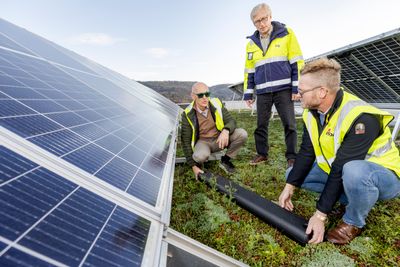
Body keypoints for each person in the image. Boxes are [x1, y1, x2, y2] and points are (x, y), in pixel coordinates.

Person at [278, 57, 400, 245]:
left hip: (384, 177)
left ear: (321, 92)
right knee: (291, 174)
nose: (297, 94)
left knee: (353, 171)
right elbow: (306, 152)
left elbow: (341, 167)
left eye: (301, 91)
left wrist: (319, 216)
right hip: (345, 171)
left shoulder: (361, 117)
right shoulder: (312, 114)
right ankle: (350, 199)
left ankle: (353, 221)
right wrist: (289, 187)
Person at [244, 3, 304, 168]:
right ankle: (262, 154)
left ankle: (292, 157)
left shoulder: (286, 34)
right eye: (257, 21)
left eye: (264, 19)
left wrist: (296, 87)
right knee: (261, 125)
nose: (261, 23)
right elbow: (249, 71)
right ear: (253, 23)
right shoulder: (251, 44)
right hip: (263, 91)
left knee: (289, 124)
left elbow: (296, 61)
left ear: (270, 16)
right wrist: (248, 93)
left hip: (283, 89)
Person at [181, 82, 248, 177]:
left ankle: (225, 160)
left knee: (242, 134)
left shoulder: (216, 103)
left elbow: (231, 121)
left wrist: (225, 131)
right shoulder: (187, 114)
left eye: (207, 94)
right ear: (193, 96)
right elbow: (186, 142)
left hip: (219, 139)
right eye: (200, 95)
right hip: (203, 142)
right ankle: (200, 164)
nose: (205, 97)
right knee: (200, 156)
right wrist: (193, 166)